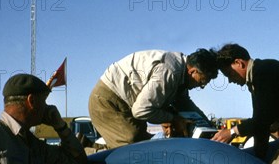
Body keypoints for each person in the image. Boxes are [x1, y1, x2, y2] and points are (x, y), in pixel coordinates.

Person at [88, 49, 218, 149]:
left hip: (126, 102)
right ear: (193, 71)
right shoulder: (169, 72)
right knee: (129, 150)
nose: (200, 86)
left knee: (144, 146)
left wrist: (209, 126)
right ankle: (83, 153)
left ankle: (87, 146)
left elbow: (185, 105)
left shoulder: (182, 76)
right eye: (201, 82)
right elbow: (141, 110)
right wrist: (173, 118)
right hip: (109, 100)